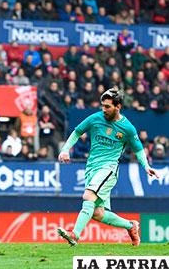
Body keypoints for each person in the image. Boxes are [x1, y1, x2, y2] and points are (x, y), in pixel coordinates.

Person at [57, 88, 158, 246]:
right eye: (102, 106)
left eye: (108, 106)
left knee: (88, 196)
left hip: (109, 169)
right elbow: (77, 132)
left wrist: (146, 166)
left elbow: (138, 149)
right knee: (98, 213)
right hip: (91, 168)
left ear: (118, 107)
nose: (104, 109)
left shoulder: (128, 128)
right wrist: (64, 150)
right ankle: (131, 226)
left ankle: (75, 234)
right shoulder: (95, 118)